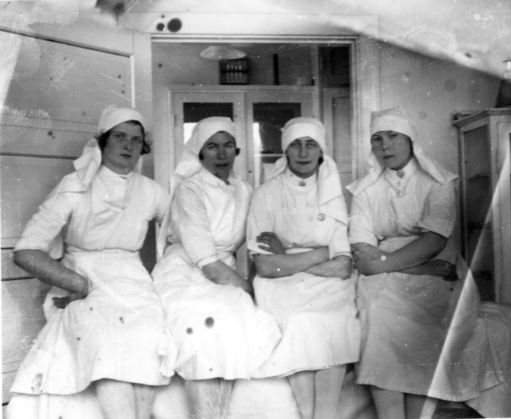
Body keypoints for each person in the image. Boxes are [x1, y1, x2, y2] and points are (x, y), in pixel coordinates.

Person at [8, 105, 174, 419]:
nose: (128, 145)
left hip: (134, 282)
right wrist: (75, 282)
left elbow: (183, 234)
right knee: (105, 344)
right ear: (103, 141)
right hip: (84, 277)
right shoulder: (75, 184)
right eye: (120, 136)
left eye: (136, 140)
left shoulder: (152, 192)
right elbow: (26, 251)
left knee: (151, 338)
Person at [347, 107, 503, 419]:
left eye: (393, 136)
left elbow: (433, 241)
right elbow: (362, 247)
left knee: (420, 325)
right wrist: (412, 267)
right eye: (377, 139)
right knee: (376, 313)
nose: (385, 146)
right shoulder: (364, 190)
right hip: (392, 265)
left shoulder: (438, 183)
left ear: (410, 140)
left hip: (436, 264)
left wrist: (396, 265)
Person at [151, 116, 281, 419]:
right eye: (212, 146)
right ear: (199, 152)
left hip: (224, 273)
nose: (221, 154)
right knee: (204, 331)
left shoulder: (244, 189)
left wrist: (276, 243)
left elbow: (257, 235)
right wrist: (248, 288)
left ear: (237, 150)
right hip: (186, 272)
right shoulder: (190, 190)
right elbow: (208, 262)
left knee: (233, 325)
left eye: (228, 145)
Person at [246, 117, 361, 419]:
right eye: (296, 144)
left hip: (327, 283)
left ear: (321, 151)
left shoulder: (333, 195)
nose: (303, 152)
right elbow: (266, 266)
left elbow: (343, 267)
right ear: (285, 150)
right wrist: (321, 254)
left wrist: (287, 257)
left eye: (311, 144)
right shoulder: (265, 195)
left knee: (334, 319)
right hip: (279, 285)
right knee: (301, 320)